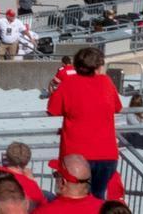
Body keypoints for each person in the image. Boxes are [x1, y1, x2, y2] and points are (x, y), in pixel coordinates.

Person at [46, 45, 122, 199]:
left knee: (74, 201)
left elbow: (52, 110)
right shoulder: (106, 82)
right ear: (98, 67)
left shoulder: (69, 83)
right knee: (97, 199)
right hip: (106, 154)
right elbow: (117, 107)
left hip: (76, 155)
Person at [39, 155, 104, 213]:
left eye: (55, 175)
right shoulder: (105, 209)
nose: (55, 178)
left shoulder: (44, 211)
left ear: (63, 182)